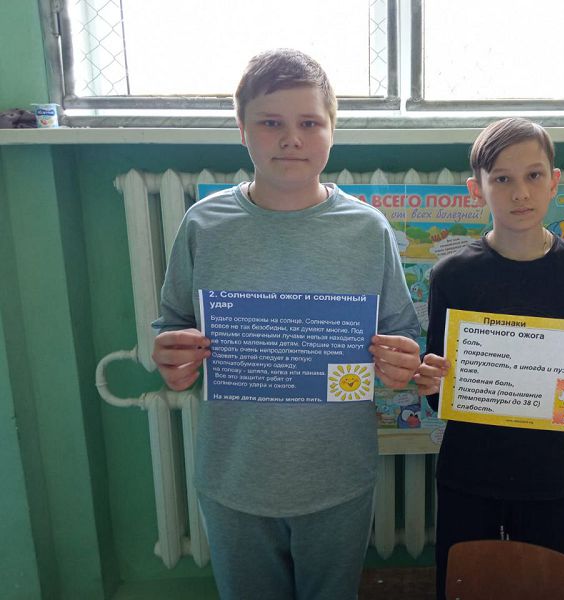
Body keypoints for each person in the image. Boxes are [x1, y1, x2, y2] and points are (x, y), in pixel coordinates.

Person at [151, 49, 421, 600]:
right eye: (271, 123)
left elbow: (404, 333)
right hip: (234, 476)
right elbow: (174, 322)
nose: (291, 139)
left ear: (332, 131)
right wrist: (171, 357)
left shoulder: (367, 230)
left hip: (338, 477)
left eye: (309, 123)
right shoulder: (204, 225)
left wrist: (402, 362)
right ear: (242, 130)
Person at [412, 117, 564, 599]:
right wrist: (431, 381)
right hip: (468, 470)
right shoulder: (452, 275)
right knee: (462, 586)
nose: (520, 192)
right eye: (502, 178)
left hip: (547, 474)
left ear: (553, 182)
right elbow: (439, 397)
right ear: (477, 189)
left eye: (533, 175)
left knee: (543, 588)